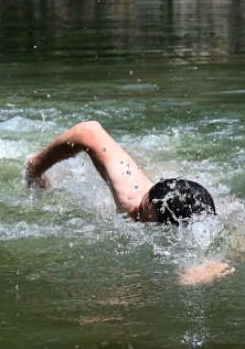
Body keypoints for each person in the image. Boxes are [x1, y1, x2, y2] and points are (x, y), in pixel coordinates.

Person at [26, 121, 234, 285]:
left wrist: (214, 267)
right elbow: (88, 130)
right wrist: (37, 166)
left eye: (143, 214)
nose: (135, 211)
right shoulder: (132, 195)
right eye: (141, 206)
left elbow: (240, 241)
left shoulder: (199, 224)